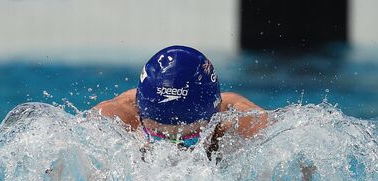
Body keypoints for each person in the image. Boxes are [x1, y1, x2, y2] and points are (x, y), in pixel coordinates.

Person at [94, 45, 268, 156]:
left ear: (214, 118)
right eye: (159, 136)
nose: (175, 152)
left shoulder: (243, 124)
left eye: (190, 138)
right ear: (139, 114)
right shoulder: (113, 122)